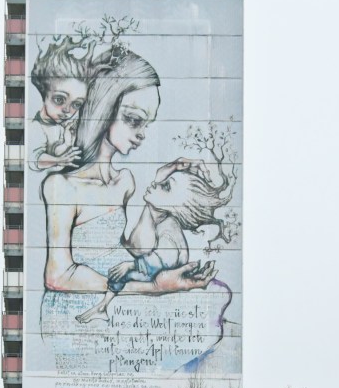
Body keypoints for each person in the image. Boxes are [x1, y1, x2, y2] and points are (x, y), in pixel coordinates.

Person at [40, 48, 216, 303]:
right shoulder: (62, 185)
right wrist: (154, 287)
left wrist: (158, 190)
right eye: (134, 120)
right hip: (74, 309)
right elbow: (58, 277)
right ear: (103, 109)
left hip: (115, 301)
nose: (143, 133)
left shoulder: (125, 181)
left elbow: (136, 248)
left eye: (147, 124)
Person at [74, 158, 227, 324]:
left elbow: (161, 260)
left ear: (176, 206)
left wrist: (131, 265)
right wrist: (172, 167)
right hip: (150, 265)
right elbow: (160, 186)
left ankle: (103, 307)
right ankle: (102, 307)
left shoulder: (169, 230)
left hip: (157, 271)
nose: (156, 184)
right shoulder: (160, 210)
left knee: (120, 274)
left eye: (166, 186)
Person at [28, 35, 94, 172]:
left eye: (76, 104)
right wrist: (59, 160)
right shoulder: (37, 127)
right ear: (44, 93)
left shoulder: (69, 125)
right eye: (59, 100)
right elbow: (34, 160)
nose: (67, 110)